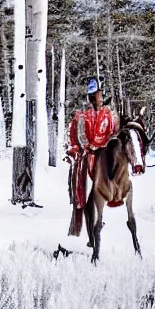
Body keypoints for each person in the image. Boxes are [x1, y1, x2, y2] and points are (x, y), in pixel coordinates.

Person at [67, 77, 119, 235]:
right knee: (82, 187)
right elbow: (78, 137)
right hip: (88, 155)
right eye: (95, 94)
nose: (98, 98)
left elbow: (113, 132)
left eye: (99, 94)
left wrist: (108, 144)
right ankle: (83, 224)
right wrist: (85, 148)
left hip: (104, 154)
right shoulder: (82, 116)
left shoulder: (108, 114)